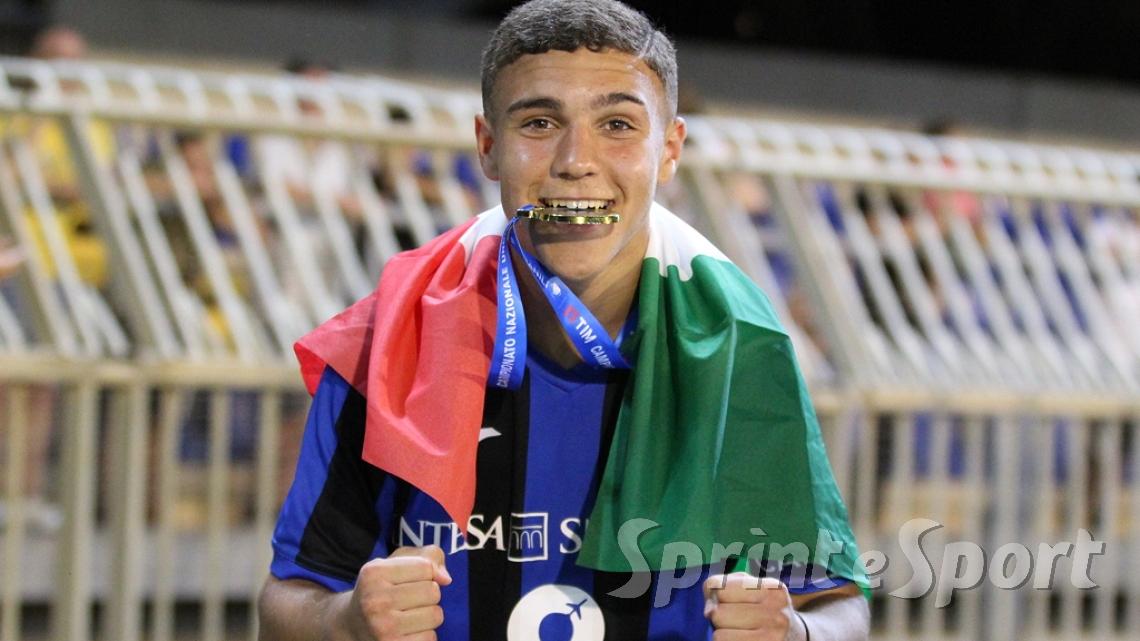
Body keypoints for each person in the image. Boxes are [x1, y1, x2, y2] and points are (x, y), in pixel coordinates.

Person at [259, 1, 871, 639]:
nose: (576, 160)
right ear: (488, 146)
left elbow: (837, 605)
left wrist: (797, 633)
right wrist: (345, 621)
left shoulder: (738, 347)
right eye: (540, 122)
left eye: (617, 124)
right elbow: (287, 599)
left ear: (669, 149)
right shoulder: (392, 336)